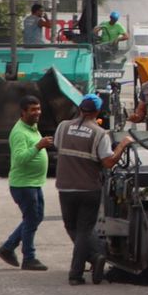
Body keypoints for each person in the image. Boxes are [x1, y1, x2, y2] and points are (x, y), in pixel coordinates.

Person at [54, 94, 134, 285]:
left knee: (71, 227)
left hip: (65, 187)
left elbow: (58, 146)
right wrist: (122, 145)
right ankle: (80, 270)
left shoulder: (63, 127)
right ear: (97, 112)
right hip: (89, 189)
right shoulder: (99, 134)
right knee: (83, 230)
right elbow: (108, 163)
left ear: (80, 109)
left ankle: (92, 259)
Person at [0, 95, 52, 271]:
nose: (37, 112)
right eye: (33, 110)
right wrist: (39, 146)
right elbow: (20, 159)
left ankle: (8, 247)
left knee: (36, 217)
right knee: (31, 219)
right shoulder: (19, 132)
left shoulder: (32, 128)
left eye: (38, 108)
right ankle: (29, 257)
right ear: (23, 112)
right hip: (23, 184)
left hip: (34, 182)